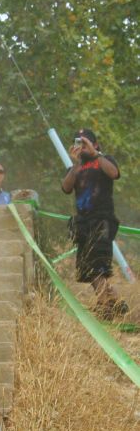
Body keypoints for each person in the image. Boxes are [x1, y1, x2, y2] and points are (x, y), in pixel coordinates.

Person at [61, 129, 128, 319]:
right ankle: (115, 299)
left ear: (95, 144)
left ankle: (104, 304)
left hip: (103, 219)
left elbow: (114, 173)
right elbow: (66, 187)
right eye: (78, 143)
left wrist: (95, 154)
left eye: (85, 143)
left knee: (98, 263)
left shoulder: (104, 160)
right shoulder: (75, 167)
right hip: (83, 222)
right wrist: (75, 165)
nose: (82, 147)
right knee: (87, 267)